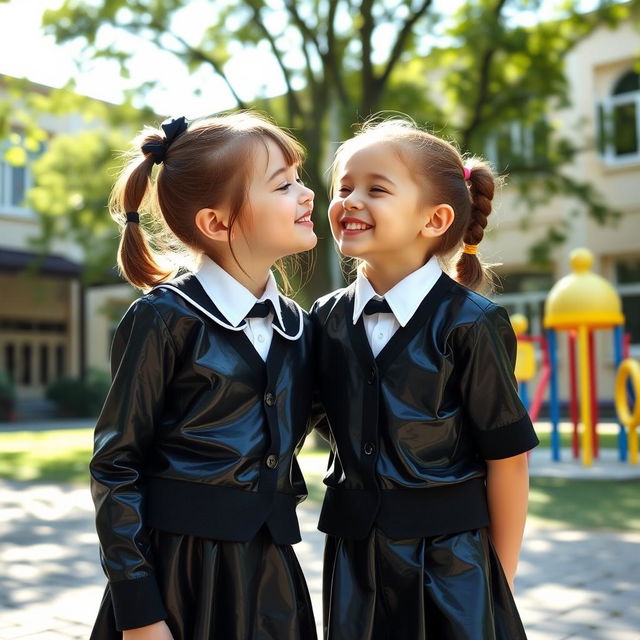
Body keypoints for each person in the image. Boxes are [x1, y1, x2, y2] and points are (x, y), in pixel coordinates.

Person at [90, 112, 318, 640]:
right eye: (283, 184)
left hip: (272, 577)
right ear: (217, 223)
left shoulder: (302, 329)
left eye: (299, 178)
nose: (307, 195)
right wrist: (140, 611)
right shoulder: (163, 318)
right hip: (178, 577)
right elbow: (115, 465)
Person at [311, 117, 539, 639]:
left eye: (376, 188)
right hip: (353, 563)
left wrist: (496, 580)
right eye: (343, 187)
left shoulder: (472, 322)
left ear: (434, 218)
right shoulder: (321, 320)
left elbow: (507, 460)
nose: (350, 200)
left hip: (451, 564)